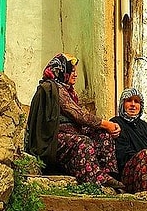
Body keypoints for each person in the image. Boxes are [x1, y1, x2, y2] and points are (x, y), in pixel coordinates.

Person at [26, 53, 125, 189]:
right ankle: (94, 179)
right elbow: (79, 115)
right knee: (83, 142)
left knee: (103, 135)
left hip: (69, 136)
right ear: (62, 71)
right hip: (53, 140)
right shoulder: (54, 89)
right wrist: (106, 123)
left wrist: (103, 128)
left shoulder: (69, 92)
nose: (75, 74)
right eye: (71, 70)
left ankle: (106, 174)